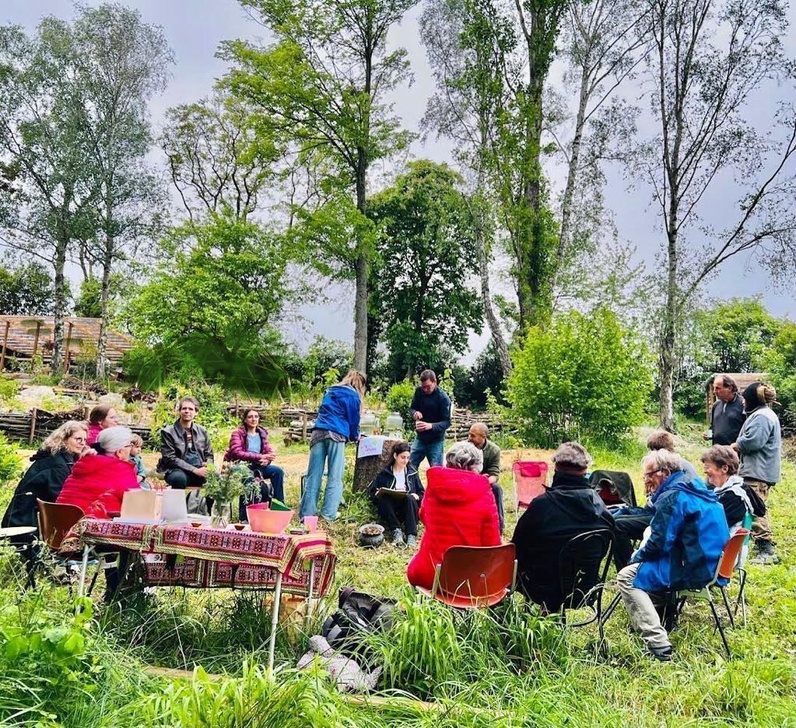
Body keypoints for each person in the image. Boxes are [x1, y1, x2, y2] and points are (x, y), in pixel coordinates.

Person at [616, 450, 729, 662]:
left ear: (665, 473)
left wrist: (636, 558)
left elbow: (659, 543)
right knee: (648, 568)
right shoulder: (697, 489)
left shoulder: (673, 496)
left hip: (695, 567)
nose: (646, 480)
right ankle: (663, 617)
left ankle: (658, 644)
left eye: (650, 475)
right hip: (712, 562)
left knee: (626, 576)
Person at [511, 442, 614, 611]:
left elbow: (516, 549)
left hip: (541, 589)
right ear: (585, 470)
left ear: (556, 467)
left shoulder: (541, 506)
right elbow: (604, 546)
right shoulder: (600, 507)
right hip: (584, 589)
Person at [406, 441, 501, 591]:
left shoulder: (434, 486)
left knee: (415, 564)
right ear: (477, 466)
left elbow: (424, 516)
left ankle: (419, 610)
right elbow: (492, 543)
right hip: (469, 582)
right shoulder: (484, 491)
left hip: (431, 574)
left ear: (448, 461)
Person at [612, 430, 700, 569]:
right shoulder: (682, 463)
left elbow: (668, 506)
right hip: (659, 509)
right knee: (617, 514)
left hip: (667, 516)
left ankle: (628, 569)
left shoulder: (676, 466)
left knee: (617, 525)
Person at [1, 420, 88, 543]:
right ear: (64, 439)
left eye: (84, 440)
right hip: (26, 523)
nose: (82, 443)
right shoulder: (58, 465)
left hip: (21, 518)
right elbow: (58, 500)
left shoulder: (55, 457)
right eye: (78, 439)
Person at [299, 370, 366, 522]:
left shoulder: (330, 390)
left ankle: (307, 515)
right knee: (335, 476)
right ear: (360, 384)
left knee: (313, 475)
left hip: (318, 432)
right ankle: (328, 514)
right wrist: (356, 436)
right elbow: (353, 420)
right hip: (336, 433)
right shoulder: (353, 395)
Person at [732, 381, 781, 564]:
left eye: (745, 399)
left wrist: (735, 446)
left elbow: (754, 442)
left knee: (757, 508)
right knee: (757, 506)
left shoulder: (762, 417)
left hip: (757, 472)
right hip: (758, 470)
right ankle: (762, 545)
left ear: (752, 400)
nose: (743, 403)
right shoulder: (763, 414)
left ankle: (766, 550)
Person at [57, 426, 140, 518]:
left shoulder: (84, 464)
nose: (130, 449)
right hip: (91, 528)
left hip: (60, 524)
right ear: (119, 452)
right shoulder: (120, 469)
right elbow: (137, 503)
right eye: (129, 446)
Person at [225, 408, 286, 519]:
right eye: (250, 417)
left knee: (278, 472)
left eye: (256, 416)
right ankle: (244, 517)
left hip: (258, 466)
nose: (253, 419)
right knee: (247, 477)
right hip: (240, 465)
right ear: (245, 419)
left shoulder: (262, 434)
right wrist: (260, 457)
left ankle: (279, 506)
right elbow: (237, 452)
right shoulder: (237, 434)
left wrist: (267, 460)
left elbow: (268, 452)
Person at [368, 441, 424, 548]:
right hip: (391, 509)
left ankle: (411, 534)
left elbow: (422, 493)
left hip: (408, 508)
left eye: (408, 458)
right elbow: (372, 493)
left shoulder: (412, 473)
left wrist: (417, 496)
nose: (405, 461)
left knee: (409, 497)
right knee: (384, 497)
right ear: (395, 456)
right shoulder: (385, 473)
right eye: (403, 457)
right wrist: (379, 493)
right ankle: (396, 531)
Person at [157, 397, 214, 489]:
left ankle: (206, 504)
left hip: (199, 469)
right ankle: (178, 503)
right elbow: (170, 458)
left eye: (191, 409)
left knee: (216, 479)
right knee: (178, 479)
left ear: (196, 413)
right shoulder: (168, 432)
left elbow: (209, 454)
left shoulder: (202, 431)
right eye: (184, 408)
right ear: (179, 411)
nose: (187, 411)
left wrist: (208, 464)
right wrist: (194, 470)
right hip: (177, 470)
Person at [700, 445, 757, 530]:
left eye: (708, 467)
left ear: (724, 469)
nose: (705, 471)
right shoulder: (725, 489)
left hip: (723, 542)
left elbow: (711, 525)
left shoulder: (735, 496)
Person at [409, 370, 451, 469]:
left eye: (428, 387)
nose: (425, 390)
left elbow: (447, 422)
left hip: (436, 440)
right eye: (423, 387)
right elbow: (412, 408)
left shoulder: (443, 398)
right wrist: (415, 413)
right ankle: (413, 484)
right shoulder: (419, 392)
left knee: (436, 470)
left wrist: (431, 426)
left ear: (435, 382)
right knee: (409, 465)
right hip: (421, 438)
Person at [467, 423, 505, 531]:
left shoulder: (494, 450)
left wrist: (483, 481)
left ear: (483, 437)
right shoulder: (465, 447)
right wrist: (476, 478)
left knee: (497, 489)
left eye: (473, 436)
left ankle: (499, 526)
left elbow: (494, 475)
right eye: (469, 435)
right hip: (467, 480)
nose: (469, 438)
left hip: (485, 482)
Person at [706, 374, 745, 446]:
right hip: (717, 451)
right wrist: (708, 435)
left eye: (717, 388)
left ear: (729, 388)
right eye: (714, 388)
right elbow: (712, 427)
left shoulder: (743, 404)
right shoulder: (716, 405)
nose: (714, 392)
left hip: (734, 453)